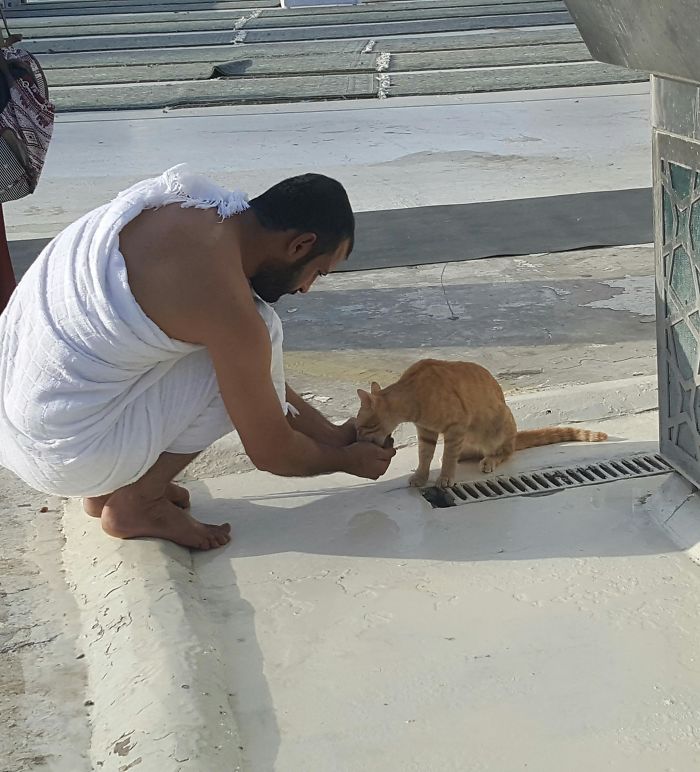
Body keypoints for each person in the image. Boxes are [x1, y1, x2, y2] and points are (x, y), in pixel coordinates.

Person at [0, 165, 396, 549]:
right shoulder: (226, 305)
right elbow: (273, 452)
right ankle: (141, 502)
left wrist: (336, 438)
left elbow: (254, 378)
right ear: (300, 245)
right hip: (62, 456)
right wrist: (344, 462)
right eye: (317, 273)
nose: (307, 288)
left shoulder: (184, 203)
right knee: (255, 336)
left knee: (237, 355)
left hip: (19, 428)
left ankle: (113, 486)